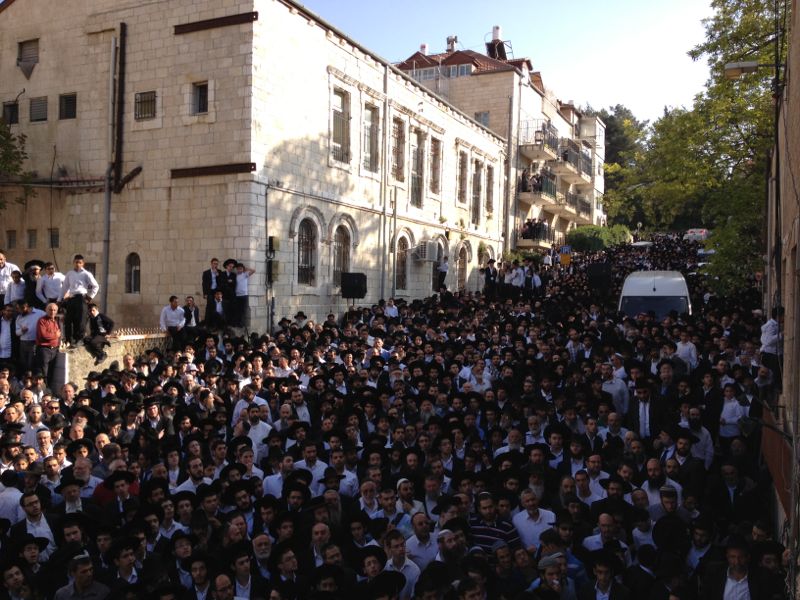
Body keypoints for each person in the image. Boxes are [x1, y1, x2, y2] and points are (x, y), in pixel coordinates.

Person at [58, 254, 100, 347]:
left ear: (83, 263)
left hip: (81, 298)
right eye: (76, 262)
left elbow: (95, 286)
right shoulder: (70, 274)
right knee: (68, 320)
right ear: (73, 262)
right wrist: (59, 299)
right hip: (71, 298)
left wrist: (89, 297)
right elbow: (64, 287)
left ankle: (79, 339)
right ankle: (68, 340)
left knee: (80, 320)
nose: (78, 264)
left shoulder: (86, 274)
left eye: (80, 262)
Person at [35, 303, 61, 386]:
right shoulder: (42, 320)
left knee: (52, 371)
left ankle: (49, 389)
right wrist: (55, 335)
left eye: (54, 310)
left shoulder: (56, 321)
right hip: (44, 349)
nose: (52, 312)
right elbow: (44, 335)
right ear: (46, 310)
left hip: (54, 349)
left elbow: (60, 334)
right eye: (50, 310)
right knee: (44, 372)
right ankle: (44, 389)